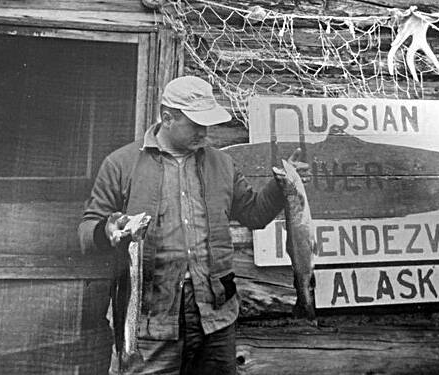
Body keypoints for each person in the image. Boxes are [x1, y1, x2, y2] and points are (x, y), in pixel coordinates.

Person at [79, 76, 299, 375]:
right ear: (167, 117)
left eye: (207, 123)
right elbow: (86, 231)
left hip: (215, 315)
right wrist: (108, 229)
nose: (204, 132)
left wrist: (282, 186)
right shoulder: (121, 164)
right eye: (196, 124)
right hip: (150, 318)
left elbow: (254, 215)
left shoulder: (222, 164)